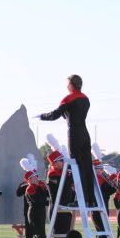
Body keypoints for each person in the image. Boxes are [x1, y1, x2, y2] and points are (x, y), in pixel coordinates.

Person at [38, 75, 96, 207]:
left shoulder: (69, 98)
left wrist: (42, 116)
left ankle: (80, 199)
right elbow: (72, 113)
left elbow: (55, 115)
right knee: (87, 165)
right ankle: (90, 199)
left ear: (71, 85)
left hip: (74, 133)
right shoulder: (86, 98)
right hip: (85, 133)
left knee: (76, 165)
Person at [45, 138, 74, 238]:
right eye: (61, 160)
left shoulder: (64, 172)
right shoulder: (52, 174)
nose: (63, 162)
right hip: (57, 209)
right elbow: (64, 182)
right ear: (55, 163)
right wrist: (70, 170)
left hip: (65, 207)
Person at [91, 160, 116, 238]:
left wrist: (112, 180)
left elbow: (111, 190)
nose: (102, 170)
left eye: (102, 168)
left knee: (102, 234)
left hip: (104, 208)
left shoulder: (103, 179)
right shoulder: (94, 180)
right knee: (102, 234)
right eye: (100, 168)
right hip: (96, 210)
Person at [23, 167, 49, 238]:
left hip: (39, 211)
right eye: (34, 177)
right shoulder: (30, 188)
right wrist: (49, 202)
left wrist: (44, 188)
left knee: (38, 234)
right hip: (35, 212)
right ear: (29, 179)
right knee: (40, 234)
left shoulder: (37, 187)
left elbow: (46, 196)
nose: (37, 178)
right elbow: (38, 200)